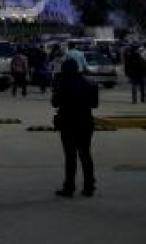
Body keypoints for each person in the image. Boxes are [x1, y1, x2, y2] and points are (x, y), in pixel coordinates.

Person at [52, 59, 98, 197]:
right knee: (85, 154)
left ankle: (69, 187)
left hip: (68, 123)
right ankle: (89, 186)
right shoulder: (89, 84)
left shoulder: (63, 84)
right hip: (85, 122)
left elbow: (55, 103)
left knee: (70, 156)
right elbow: (95, 104)